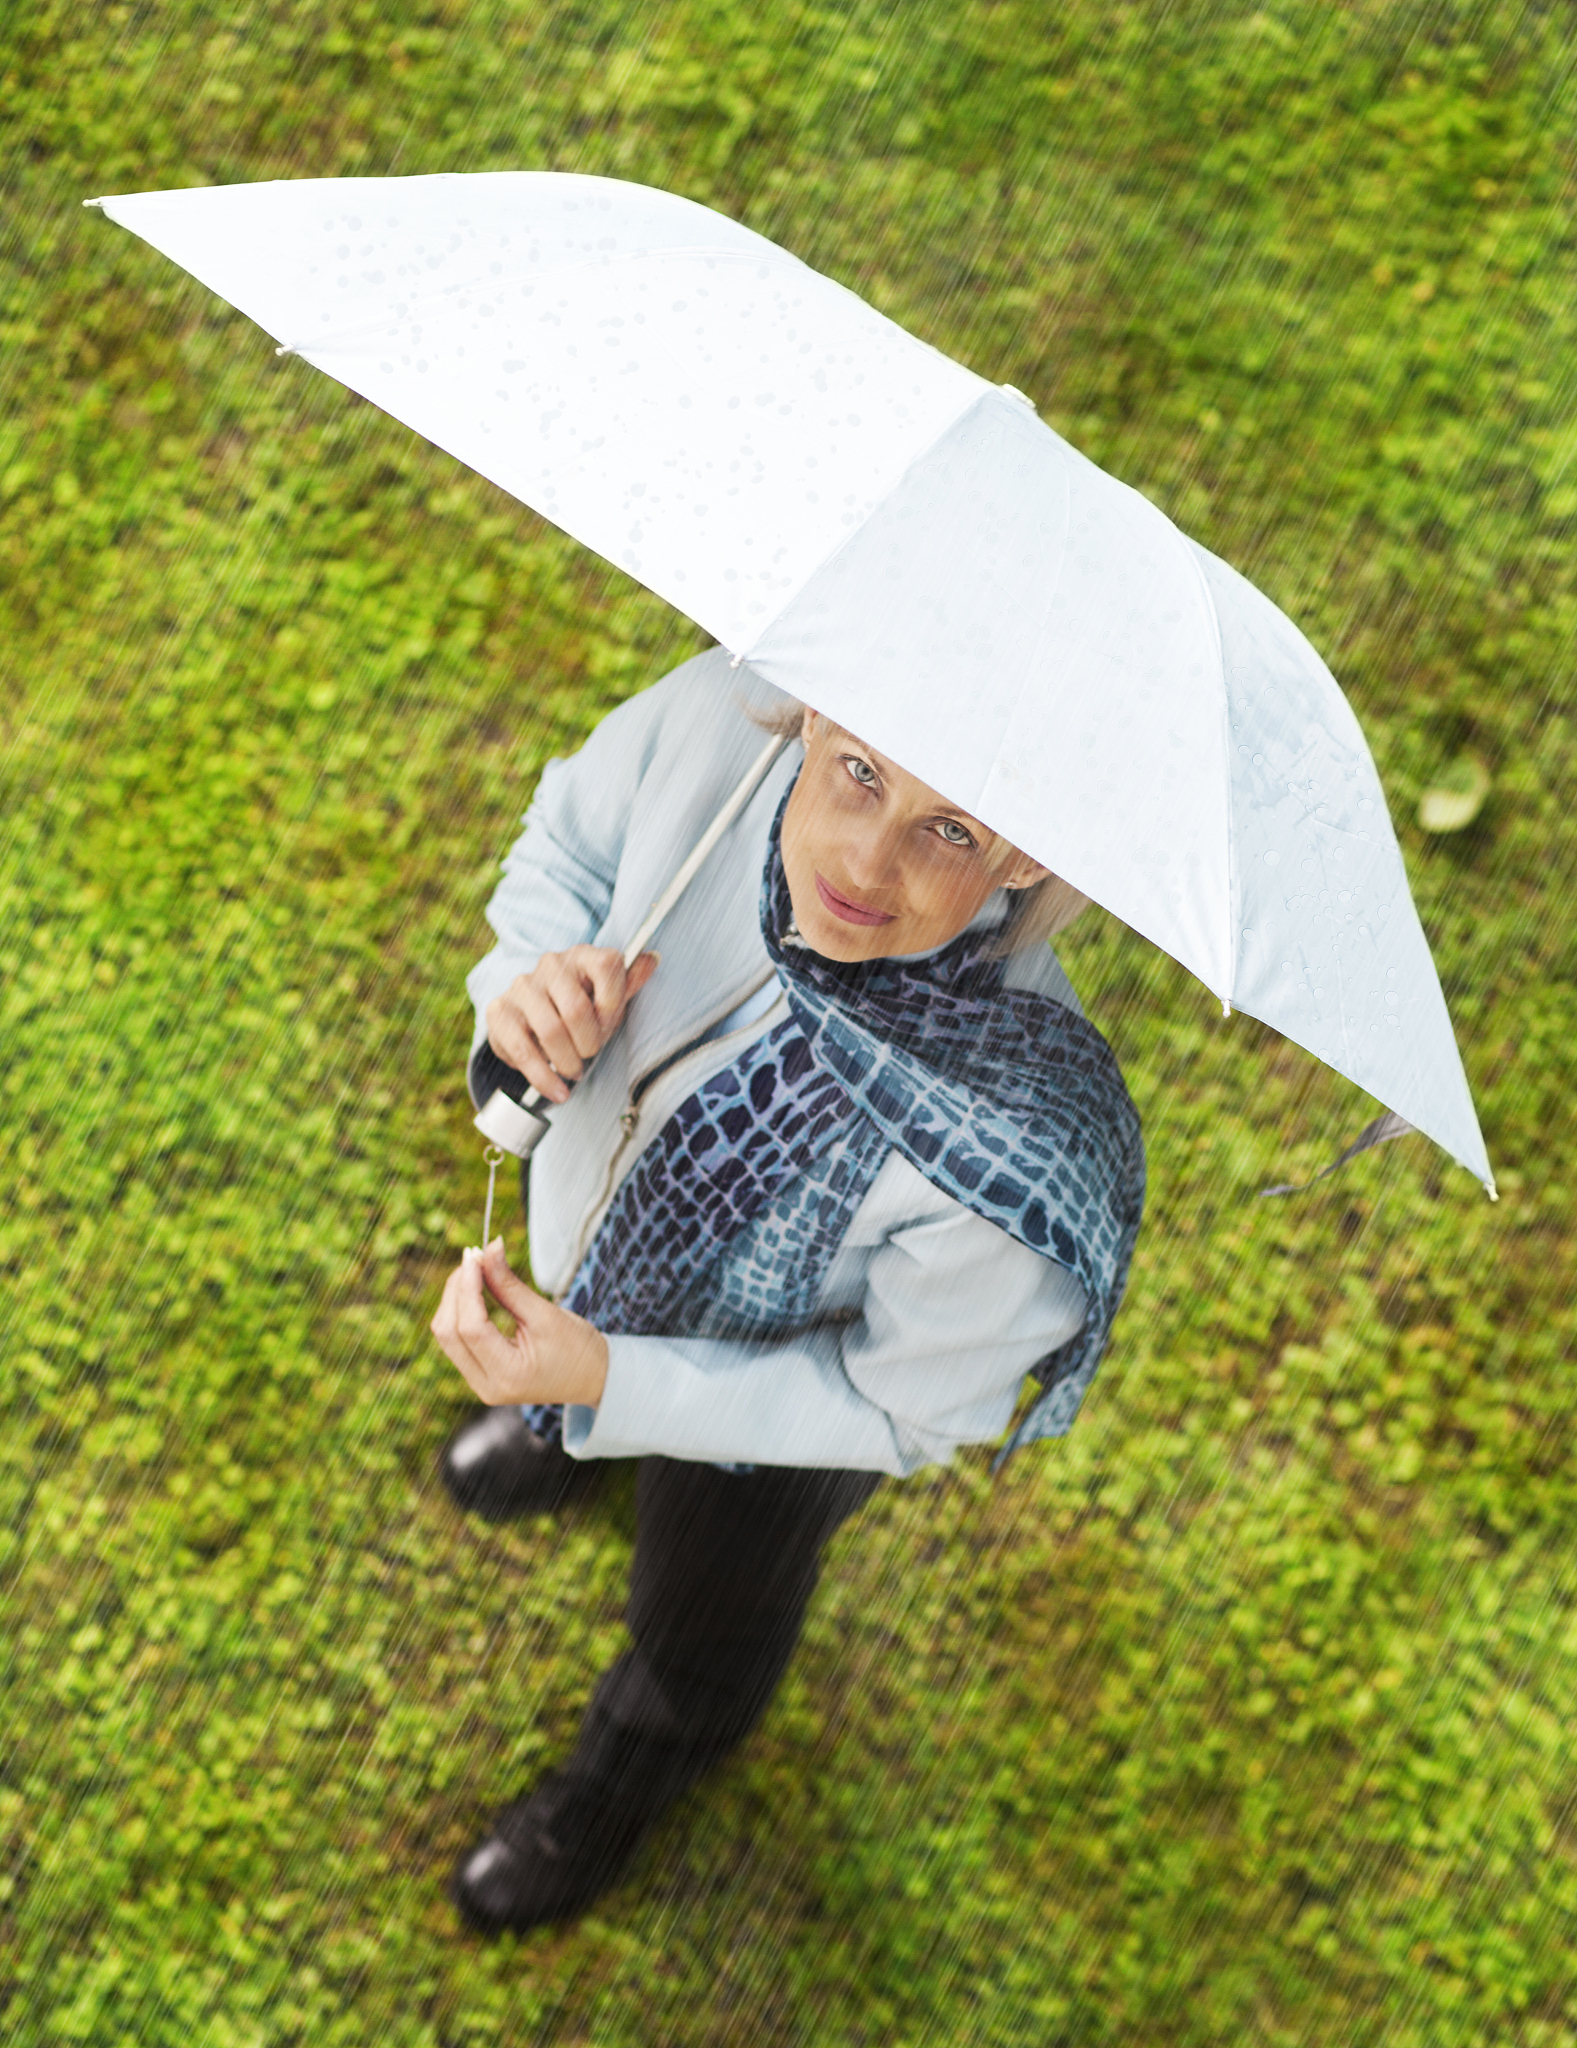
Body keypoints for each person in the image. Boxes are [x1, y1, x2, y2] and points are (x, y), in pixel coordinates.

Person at [429, 646, 1145, 1935]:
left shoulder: (1014, 1147)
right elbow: (570, 849)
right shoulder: (711, 730)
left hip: (766, 1444)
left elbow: (897, 1410)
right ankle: (570, 1440)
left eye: (954, 830)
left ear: (1030, 859)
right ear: (816, 704)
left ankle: (622, 1780)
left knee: (696, 1624)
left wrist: (615, 1380)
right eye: (860, 770)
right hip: (593, 1266)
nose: (866, 865)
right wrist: (524, 983)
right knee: (579, 1381)